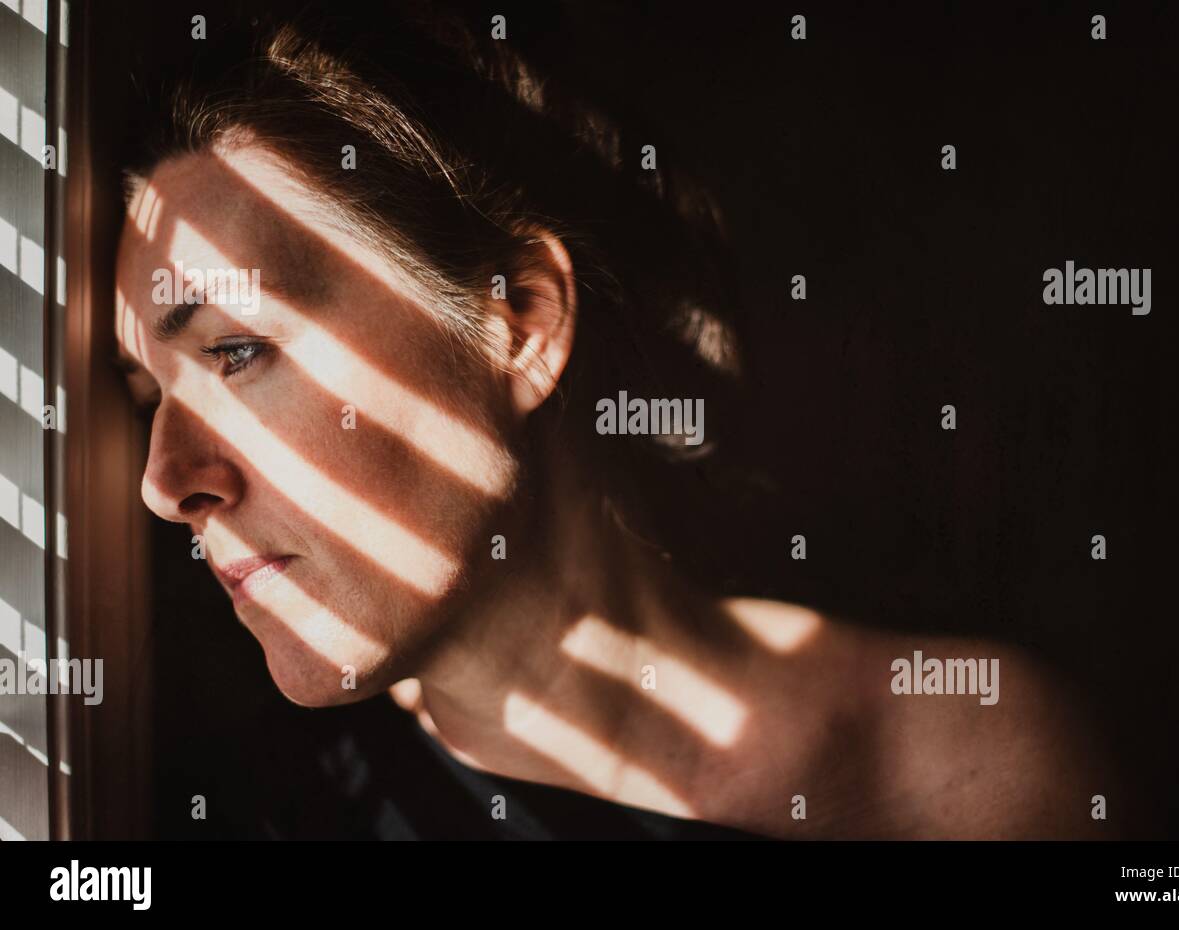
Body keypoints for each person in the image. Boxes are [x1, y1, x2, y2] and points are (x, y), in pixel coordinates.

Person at [113, 5, 1116, 839]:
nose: (162, 483)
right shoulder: (234, 811)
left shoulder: (962, 774)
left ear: (520, 325)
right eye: (146, 392)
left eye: (233, 352)